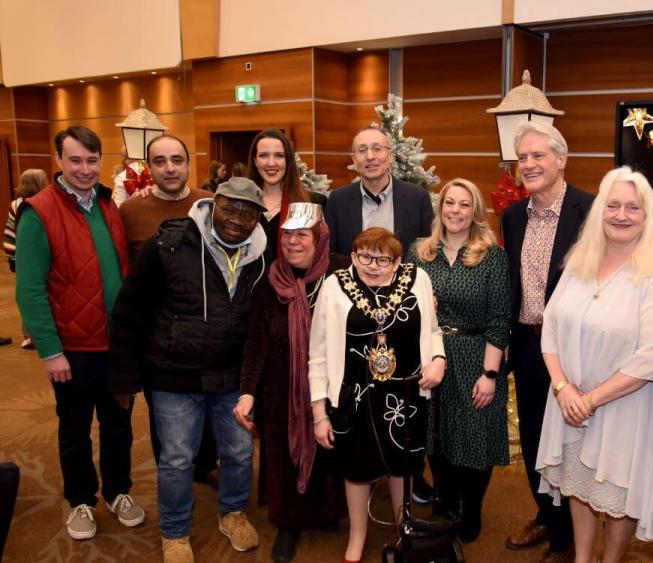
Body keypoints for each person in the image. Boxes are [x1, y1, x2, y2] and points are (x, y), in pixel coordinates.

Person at [108, 178, 268, 562]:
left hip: (232, 377)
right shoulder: (168, 245)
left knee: (239, 453)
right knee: (177, 459)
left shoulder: (264, 255)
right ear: (213, 205)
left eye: (247, 213)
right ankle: (175, 531)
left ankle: (232, 513)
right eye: (229, 207)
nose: (235, 219)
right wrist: (124, 376)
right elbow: (129, 311)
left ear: (257, 220)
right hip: (173, 375)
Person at [535, 166, 653, 563]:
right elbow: (550, 330)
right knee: (578, 482)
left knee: (617, 490)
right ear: (600, 211)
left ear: (647, 216)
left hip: (623, 404)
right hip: (569, 400)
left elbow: (650, 355)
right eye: (612, 205)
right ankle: (583, 558)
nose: (621, 215)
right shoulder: (580, 260)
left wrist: (589, 399)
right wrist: (563, 389)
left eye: (633, 207)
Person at [15, 126, 143, 540]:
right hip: (71, 349)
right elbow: (29, 288)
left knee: (119, 426)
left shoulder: (108, 205)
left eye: (92, 160)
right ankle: (81, 500)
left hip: (115, 346)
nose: (85, 169)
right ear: (58, 162)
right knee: (74, 429)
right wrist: (50, 351)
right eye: (75, 160)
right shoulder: (38, 210)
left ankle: (118, 491)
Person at [309, 227, 446, 563]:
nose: (371, 265)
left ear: (398, 261)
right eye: (363, 257)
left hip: (406, 393)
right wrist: (319, 412)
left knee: (404, 465)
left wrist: (439, 359)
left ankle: (405, 528)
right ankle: (358, 534)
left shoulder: (418, 279)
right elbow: (319, 353)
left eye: (382, 259)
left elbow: (432, 329)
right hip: (355, 396)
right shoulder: (334, 285)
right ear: (353, 256)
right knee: (355, 469)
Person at [500, 121, 594, 563]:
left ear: (561, 159)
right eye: (524, 158)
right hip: (527, 344)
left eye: (539, 156)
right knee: (536, 440)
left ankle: (567, 538)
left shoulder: (590, 212)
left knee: (571, 444)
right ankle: (547, 517)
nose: (530, 165)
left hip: (573, 351)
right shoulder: (514, 215)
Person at [235, 202, 350, 562]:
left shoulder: (342, 273)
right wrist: (247, 392)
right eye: (287, 233)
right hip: (280, 388)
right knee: (284, 453)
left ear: (320, 239)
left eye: (302, 234)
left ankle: (328, 512)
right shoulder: (270, 282)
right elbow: (256, 342)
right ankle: (289, 523)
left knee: (333, 450)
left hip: (334, 385)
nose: (292, 242)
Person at [407, 178, 511, 542]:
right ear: (440, 208)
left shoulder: (492, 256)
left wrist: (490, 374)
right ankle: (444, 500)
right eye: (449, 203)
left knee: (475, 439)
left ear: (475, 212)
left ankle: (472, 505)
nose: (455, 210)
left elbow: (500, 320)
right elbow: (404, 305)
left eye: (464, 204)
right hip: (431, 358)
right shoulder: (419, 253)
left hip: (475, 356)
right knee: (437, 437)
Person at [117, 134, 218, 488]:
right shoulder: (130, 211)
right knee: (164, 411)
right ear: (150, 167)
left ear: (190, 164)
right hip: (155, 332)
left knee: (207, 401)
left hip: (204, 324)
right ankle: (174, 472)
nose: (170, 168)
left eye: (177, 160)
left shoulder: (209, 203)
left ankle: (205, 465)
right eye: (160, 161)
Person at [325, 126, 434, 257]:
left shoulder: (418, 199)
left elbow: (427, 252)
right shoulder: (338, 200)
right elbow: (331, 255)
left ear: (390, 155)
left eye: (377, 149)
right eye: (362, 150)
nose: (370, 156)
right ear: (354, 159)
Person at [247, 128, 325, 262]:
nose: (271, 163)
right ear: (255, 161)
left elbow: (320, 254)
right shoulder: (243, 204)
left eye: (279, 155)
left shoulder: (312, 202)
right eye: (264, 155)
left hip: (295, 282)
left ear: (288, 160)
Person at [4, 168, 49, 348]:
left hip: (19, 257)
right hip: (42, 256)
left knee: (27, 295)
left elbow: (10, 233)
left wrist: (12, 257)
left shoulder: (15, 204)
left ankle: (30, 335)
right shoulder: (45, 204)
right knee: (43, 295)